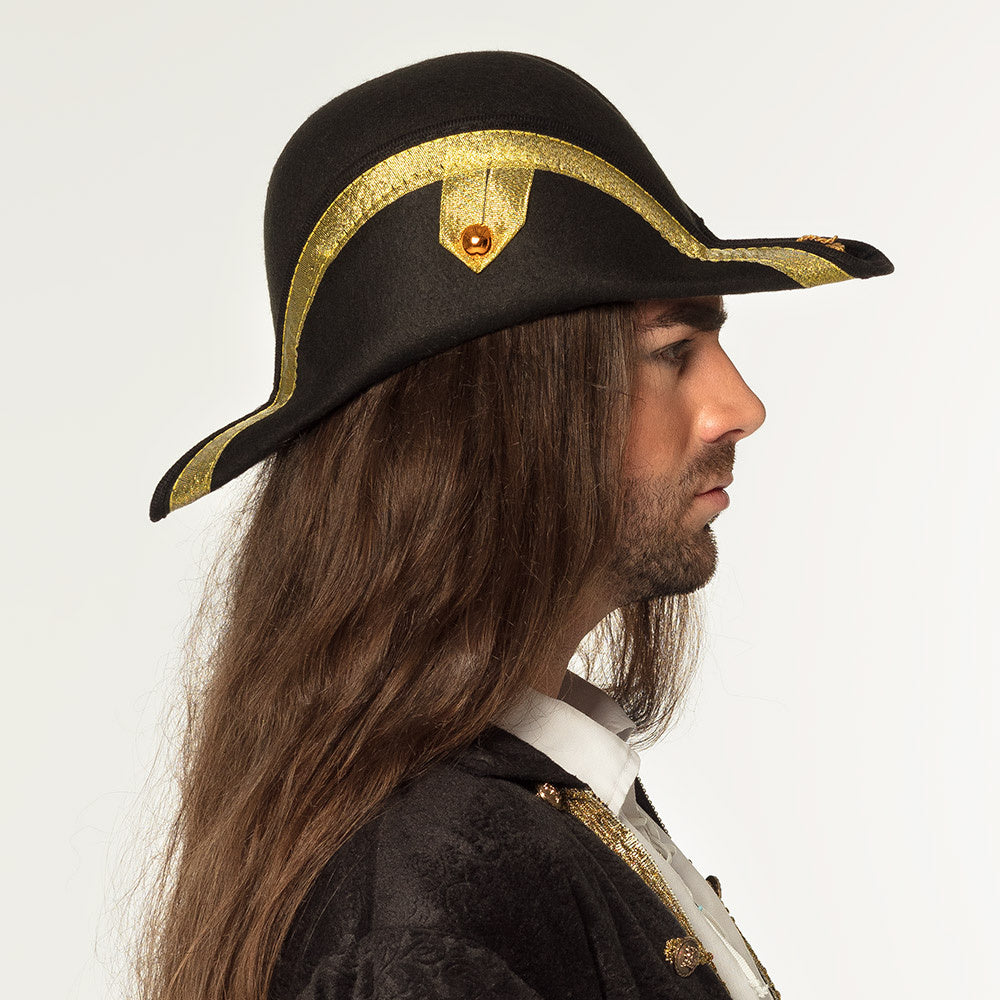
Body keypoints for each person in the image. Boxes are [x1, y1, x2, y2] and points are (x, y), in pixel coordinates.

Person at [138, 50, 893, 1000]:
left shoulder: (526, 808)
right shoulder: (424, 900)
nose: (740, 409)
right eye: (673, 350)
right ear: (484, 421)